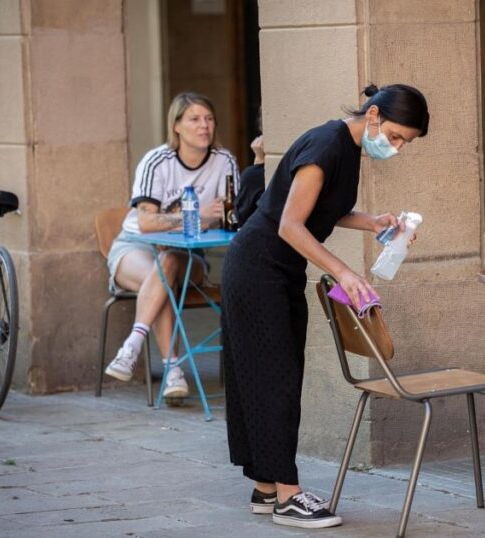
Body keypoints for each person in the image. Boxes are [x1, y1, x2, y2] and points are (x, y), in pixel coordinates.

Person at [221, 83, 429, 529]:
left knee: (272, 375)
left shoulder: (347, 148)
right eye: (394, 136)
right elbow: (291, 225)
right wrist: (346, 273)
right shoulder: (326, 144)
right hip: (258, 268)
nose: (395, 148)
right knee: (273, 379)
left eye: (403, 144)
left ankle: (265, 486)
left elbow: (321, 210)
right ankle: (288, 497)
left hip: (277, 272)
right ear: (372, 115)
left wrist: (370, 221)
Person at [103, 92, 239, 398]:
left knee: (168, 266)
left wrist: (206, 219)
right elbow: (147, 223)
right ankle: (172, 372)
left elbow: (232, 216)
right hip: (135, 247)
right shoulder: (156, 161)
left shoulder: (224, 161)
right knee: (162, 273)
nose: (204, 126)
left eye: (209, 119)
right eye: (194, 119)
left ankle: (134, 346)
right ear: (176, 125)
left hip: (189, 256)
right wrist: (198, 215)